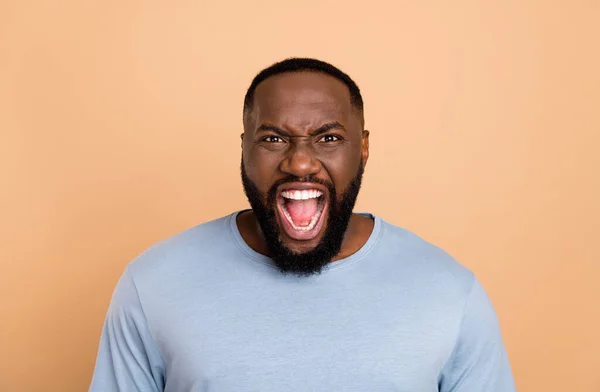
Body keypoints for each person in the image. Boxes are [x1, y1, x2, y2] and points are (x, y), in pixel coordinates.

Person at [89, 58, 516, 391]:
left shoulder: (450, 293)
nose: (300, 162)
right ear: (245, 148)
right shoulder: (153, 284)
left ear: (362, 148)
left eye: (328, 138)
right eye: (273, 138)